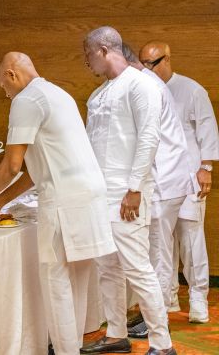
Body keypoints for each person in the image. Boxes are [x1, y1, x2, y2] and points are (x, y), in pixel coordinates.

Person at [0, 52, 115, 355]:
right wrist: (1, 199)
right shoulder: (58, 94)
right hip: (91, 194)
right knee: (78, 281)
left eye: (2, 86)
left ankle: (64, 351)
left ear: (11, 74)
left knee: (56, 282)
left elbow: (12, 165)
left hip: (64, 200)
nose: (5, 94)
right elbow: (38, 166)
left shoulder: (26, 100)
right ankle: (71, 348)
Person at [82, 26, 175, 355]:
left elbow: (149, 137)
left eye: (88, 54)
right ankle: (116, 334)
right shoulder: (98, 94)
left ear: (104, 49)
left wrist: (135, 188)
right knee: (107, 268)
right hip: (100, 195)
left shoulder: (140, 85)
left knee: (138, 269)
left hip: (127, 195)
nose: (86, 62)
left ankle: (162, 344)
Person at [140, 41, 218, 323]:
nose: (147, 69)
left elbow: (207, 129)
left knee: (190, 237)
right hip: (158, 178)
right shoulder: (143, 90)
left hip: (189, 175)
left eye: (152, 64)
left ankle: (198, 298)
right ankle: (168, 297)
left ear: (167, 59)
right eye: (143, 64)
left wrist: (206, 167)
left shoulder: (191, 89)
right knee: (160, 242)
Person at [121, 43, 193, 338]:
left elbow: (147, 138)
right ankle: (152, 313)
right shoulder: (148, 82)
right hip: (167, 177)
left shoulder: (145, 84)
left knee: (159, 254)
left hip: (165, 179)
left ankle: (157, 318)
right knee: (157, 252)